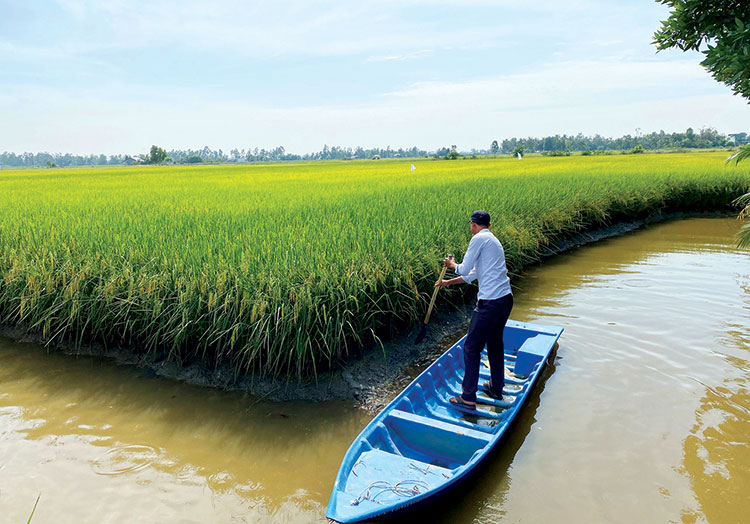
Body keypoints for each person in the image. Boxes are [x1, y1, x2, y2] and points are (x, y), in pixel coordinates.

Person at [435, 210, 513, 409]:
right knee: (495, 342)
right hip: (505, 299)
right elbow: (473, 274)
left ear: (473, 224)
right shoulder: (493, 241)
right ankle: (496, 386)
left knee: (471, 347)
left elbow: (463, 268)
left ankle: (468, 397)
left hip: (490, 303)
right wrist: (447, 283)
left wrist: (451, 264)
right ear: (488, 224)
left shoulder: (478, 239)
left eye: (470, 225)